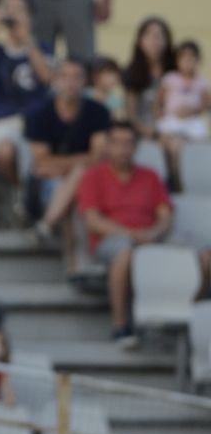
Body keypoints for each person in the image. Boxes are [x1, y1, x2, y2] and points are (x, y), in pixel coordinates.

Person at [77, 121, 174, 347]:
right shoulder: (93, 175)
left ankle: (176, 321)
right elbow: (93, 221)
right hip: (110, 241)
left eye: (128, 143)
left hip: (150, 238)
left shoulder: (150, 176)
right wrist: (132, 235)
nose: (122, 149)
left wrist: (152, 233)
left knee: (202, 257)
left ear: (136, 147)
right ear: (108, 146)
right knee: (125, 253)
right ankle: (120, 326)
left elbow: (165, 216)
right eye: (117, 143)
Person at [25, 57, 111, 251]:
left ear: (85, 80)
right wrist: (80, 163)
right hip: (50, 186)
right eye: (64, 76)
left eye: (76, 76)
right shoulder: (39, 114)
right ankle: (77, 267)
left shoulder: (99, 112)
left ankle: (47, 225)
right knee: (78, 181)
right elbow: (41, 164)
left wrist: (64, 167)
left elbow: (99, 158)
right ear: (55, 80)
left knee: (80, 180)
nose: (70, 82)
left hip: (87, 181)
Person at [0, 0, 53, 184]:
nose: (12, 14)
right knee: (6, 151)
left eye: (19, 10)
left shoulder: (43, 49)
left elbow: (47, 77)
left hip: (37, 123)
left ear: (30, 17)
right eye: (8, 9)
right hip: (3, 122)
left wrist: (27, 40)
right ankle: (20, 192)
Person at [157, 41, 211, 190]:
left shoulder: (202, 82)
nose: (187, 61)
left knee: (186, 146)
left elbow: (207, 103)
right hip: (172, 120)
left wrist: (192, 111)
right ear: (177, 60)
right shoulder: (170, 78)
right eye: (184, 58)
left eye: (191, 58)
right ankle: (174, 178)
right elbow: (160, 100)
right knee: (170, 143)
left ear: (198, 60)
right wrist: (161, 114)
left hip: (192, 122)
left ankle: (184, 180)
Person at [123, 16, 174, 139]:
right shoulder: (131, 74)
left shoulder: (175, 73)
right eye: (149, 35)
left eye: (160, 35)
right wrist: (148, 131)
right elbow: (130, 114)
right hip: (141, 135)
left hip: (173, 133)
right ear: (140, 41)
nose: (155, 40)